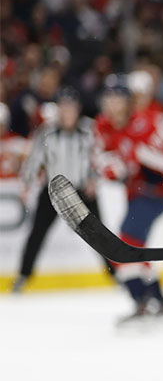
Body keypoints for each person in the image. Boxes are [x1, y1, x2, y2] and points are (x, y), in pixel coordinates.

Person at [95, 80, 163, 325]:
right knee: (130, 247)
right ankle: (158, 301)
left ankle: (143, 300)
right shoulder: (102, 126)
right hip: (136, 194)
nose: (112, 103)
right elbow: (102, 159)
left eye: (117, 98)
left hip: (158, 193)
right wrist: (112, 169)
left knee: (125, 244)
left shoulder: (146, 124)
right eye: (108, 98)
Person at [12, 88, 113, 292]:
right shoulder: (46, 132)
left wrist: (96, 181)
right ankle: (23, 276)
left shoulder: (90, 130)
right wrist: (26, 184)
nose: (67, 112)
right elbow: (34, 161)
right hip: (53, 193)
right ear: (58, 109)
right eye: (63, 107)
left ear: (78, 109)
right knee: (36, 235)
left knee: (100, 237)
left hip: (83, 192)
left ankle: (117, 275)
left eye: (71, 107)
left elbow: (103, 158)